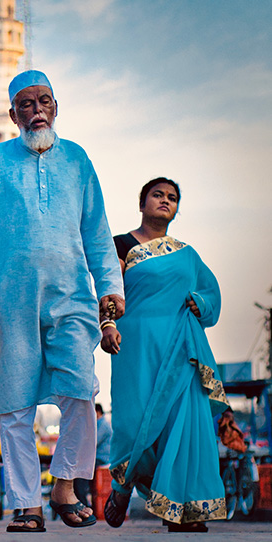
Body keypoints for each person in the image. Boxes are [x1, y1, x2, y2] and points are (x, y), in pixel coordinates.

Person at [0, 70, 124, 533]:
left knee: (81, 389)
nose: (36, 111)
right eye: (26, 105)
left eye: (44, 101)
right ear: (13, 114)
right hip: (9, 297)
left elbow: (96, 230)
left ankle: (65, 482)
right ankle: (26, 502)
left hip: (71, 293)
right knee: (13, 406)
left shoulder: (76, 160)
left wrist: (109, 287)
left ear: (56, 107)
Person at [101, 178, 228, 533]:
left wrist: (199, 303)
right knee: (133, 421)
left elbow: (211, 294)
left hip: (180, 348)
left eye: (172, 198)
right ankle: (122, 485)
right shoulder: (121, 245)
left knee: (183, 422)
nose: (165, 201)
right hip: (135, 346)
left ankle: (185, 509)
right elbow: (107, 291)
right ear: (142, 203)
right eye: (157, 195)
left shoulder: (187, 254)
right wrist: (106, 325)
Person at [74, 403, 112, 505]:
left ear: (97, 412)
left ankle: (82, 503)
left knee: (80, 472)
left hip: (102, 458)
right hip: (96, 458)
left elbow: (92, 442)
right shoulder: (98, 424)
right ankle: (81, 501)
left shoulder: (103, 425)